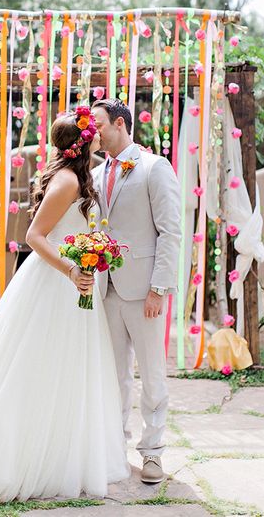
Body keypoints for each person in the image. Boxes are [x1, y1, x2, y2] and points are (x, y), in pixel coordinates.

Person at [0, 107, 130, 503]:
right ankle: (12, 458)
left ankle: (59, 453)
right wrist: (72, 269)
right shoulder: (68, 181)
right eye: (95, 133)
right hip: (54, 285)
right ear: (85, 143)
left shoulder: (78, 178)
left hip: (73, 285)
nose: (101, 136)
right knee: (37, 367)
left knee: (65, 372)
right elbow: (35, 235)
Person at [91, 99, 181, 484]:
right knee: (114, 375)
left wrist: (159, 288)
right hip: (105, 288)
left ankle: (153, 453)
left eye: (97, 124)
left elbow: (170, 231)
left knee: (152, 375)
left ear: (120, 124)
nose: (92, 131)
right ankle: (115, 447)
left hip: (145, 291)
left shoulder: (154, 167)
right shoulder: (95, 175)